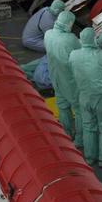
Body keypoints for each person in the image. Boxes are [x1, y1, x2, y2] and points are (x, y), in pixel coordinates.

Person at [69, 27, 102, 166]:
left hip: (84, 96)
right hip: (101, 98)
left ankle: (89, 157)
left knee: (88, 126)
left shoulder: (73, 55)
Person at [43, 10, 80, 140]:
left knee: (63, 106)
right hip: (69, 79)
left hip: (55, 76)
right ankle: (80, 138)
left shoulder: (48, 34)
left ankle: (67, 134)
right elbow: (82, 53)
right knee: (79, 109)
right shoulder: (71, 39)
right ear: (69, 23)